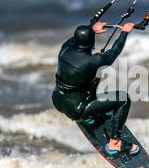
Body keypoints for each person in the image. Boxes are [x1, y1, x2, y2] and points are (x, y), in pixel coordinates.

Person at [52, 21, 139, 155]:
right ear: (91, 43)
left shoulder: (65, 48)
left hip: (57, 100)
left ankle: (89, 117)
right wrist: (125, 32)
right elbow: (115, 51)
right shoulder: (93, 61)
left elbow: (76, 40)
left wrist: (92, 29)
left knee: (96, 74)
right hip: (77, 109)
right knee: (124, 99)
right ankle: (114, 143)